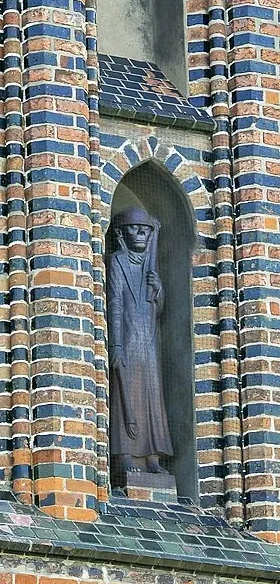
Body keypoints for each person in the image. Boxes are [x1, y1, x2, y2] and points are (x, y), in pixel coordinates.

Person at [107, 203, 175, 487]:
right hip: (127, 338)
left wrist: (158, 290)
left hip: (147, 341)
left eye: (146, 230)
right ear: (122, 233)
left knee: (151, 397)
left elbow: (157, 311)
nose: (142, 235)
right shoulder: (117, 262)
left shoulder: (150, 267)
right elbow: (115, 303)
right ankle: (125, 454)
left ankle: (151, 456)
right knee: (127, 395)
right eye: (135, 229)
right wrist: (117, 345)